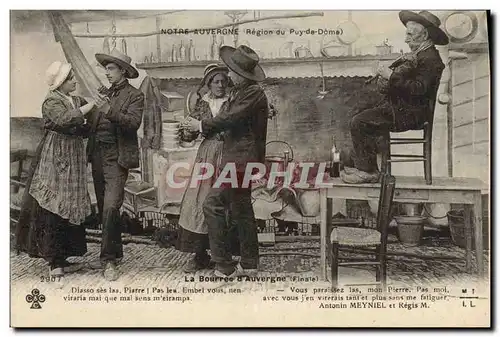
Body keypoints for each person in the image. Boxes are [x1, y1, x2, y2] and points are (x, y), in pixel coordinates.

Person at [15, 61, 105, 277]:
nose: (74, 81)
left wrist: (95, 111)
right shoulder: (51, 101)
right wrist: (89, 108)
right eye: (70, 78)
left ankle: (63, 257)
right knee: (53, 203)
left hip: (73, 155)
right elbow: (65, 120)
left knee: (69, 202)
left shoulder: (75, 100)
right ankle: (54, 262)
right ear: (60, 83)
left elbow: (87, 124)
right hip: (55, 155)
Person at [186, 45, 269, 277]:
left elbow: (229, 118)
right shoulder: (245, 93)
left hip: (239, 162)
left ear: (242, 75)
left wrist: (200, 125)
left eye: (232, 72)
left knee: (211, 205)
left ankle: (224, 266)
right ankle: (250, 264)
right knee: (242, 210)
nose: (229, 76)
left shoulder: (252, 93)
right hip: (243, 160)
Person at [342, 10, 448, 184]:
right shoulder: (420, 55)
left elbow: (418, 89)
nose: (406, 39)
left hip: (410, 114)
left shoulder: (431, 60)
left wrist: (391, 76)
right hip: (402, 108)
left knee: (359, 121)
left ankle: (369, 171)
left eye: (410, 34)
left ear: (425, 35)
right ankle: (367, 167)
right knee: (360, 111)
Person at [88, 49, 144, 281]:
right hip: (98, 156)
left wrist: (108, 110)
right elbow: (92, 123)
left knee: (111, 207)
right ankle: (115, 253)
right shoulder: (103, 93)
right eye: (106, 69)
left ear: (123, 71)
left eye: (111, 69)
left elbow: (132, 123)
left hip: (117, 158)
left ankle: (108, 261)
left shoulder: (135, 96)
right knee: (104, 209)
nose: (107, 73)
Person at [177, 64, 232, 273]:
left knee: (224, 203)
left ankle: (224, 256)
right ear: (208, 84)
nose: (220, 85)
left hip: (228, 153)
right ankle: (199, 254)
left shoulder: (233, 102)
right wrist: (186, 129)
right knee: (199, 201)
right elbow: (190, 136)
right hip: (207, 155)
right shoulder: (202, 104)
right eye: (216, 81)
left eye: (223, 81)